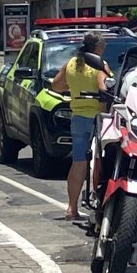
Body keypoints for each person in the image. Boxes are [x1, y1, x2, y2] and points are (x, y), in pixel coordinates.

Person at [51, 32, 110, 221]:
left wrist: (74, 88)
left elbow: (56, 86)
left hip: (77, 118)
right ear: (98, 48)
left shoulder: (71, 64)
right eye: (103, 46)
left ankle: (71, 207)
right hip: (96, 119)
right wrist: (104, 110)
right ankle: (102, 205)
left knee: (79, 163)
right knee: (101, 161)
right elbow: (104, 90)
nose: (105, 49)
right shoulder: (100, 66)